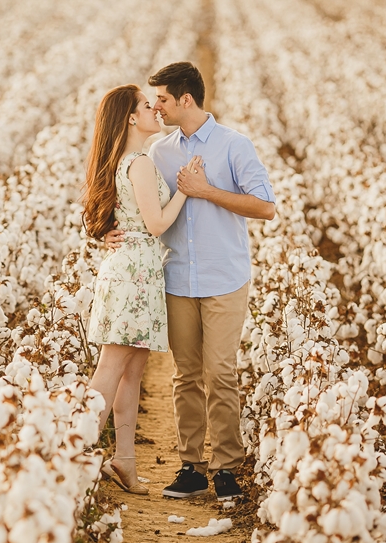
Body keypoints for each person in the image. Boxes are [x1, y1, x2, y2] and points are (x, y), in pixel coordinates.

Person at [105, 63, 275, 501]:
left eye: (161, 99)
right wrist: (104, 229)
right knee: (186, 376)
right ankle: (192, 467)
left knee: (220, 373)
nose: (155, 106)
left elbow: (264, 207)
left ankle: (225, 469)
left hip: (224, 276)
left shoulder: (234, 145)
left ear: (185, 100)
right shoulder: (158, 152)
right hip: (177, 275)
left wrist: (205, 190)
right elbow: (131, 200)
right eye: (151, 101)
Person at [83, 84, 201, 496]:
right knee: (112, 369)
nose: (156, 111)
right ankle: (76, 457)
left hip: (136, 270)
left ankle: (125, 460)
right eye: (148, 106)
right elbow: (155, 224)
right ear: (132, 118)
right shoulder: (140, 164)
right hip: (135, 273)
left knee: (132, 370)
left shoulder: (126, 161)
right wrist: (186, 188)